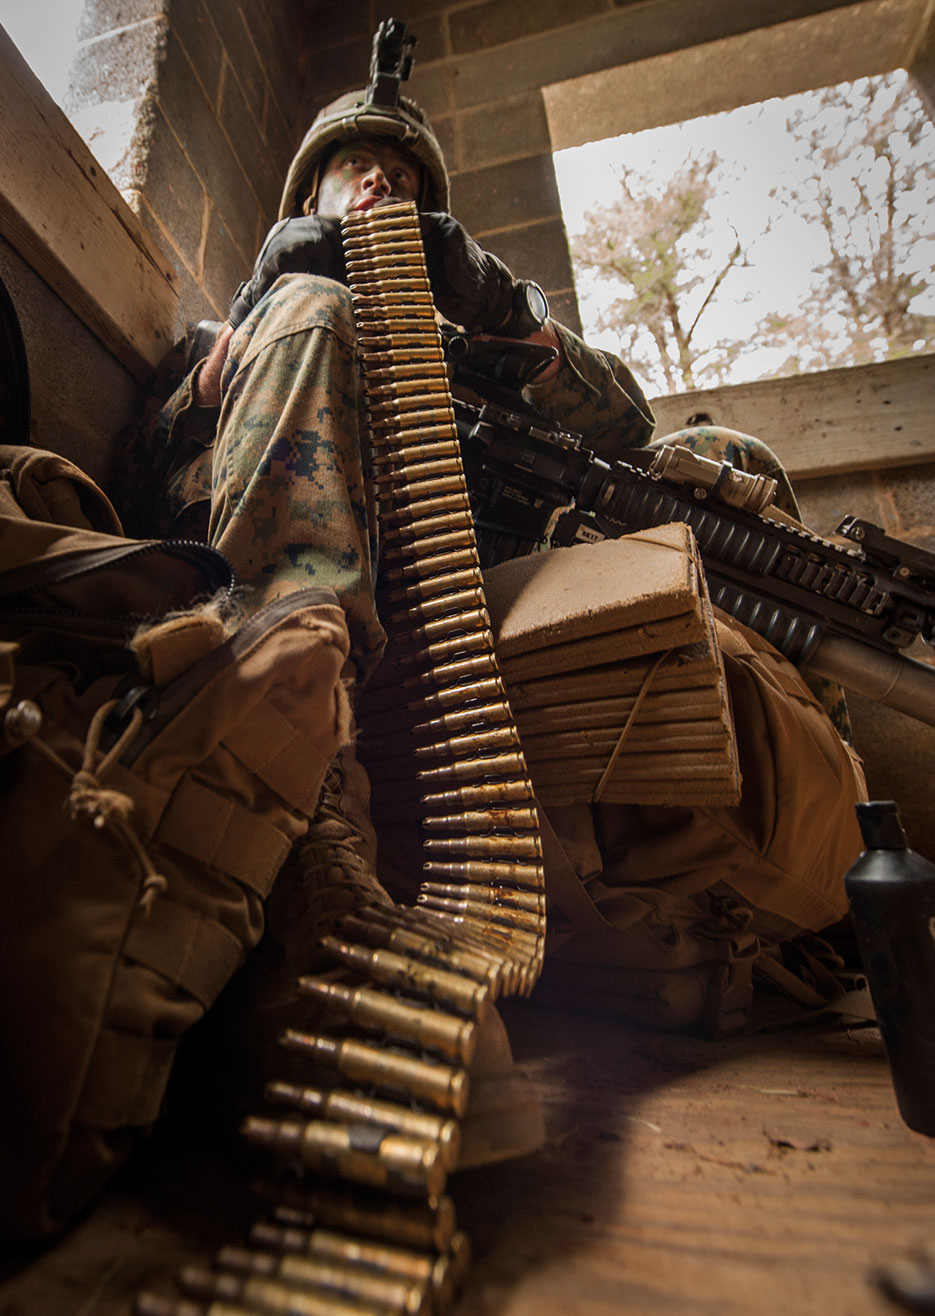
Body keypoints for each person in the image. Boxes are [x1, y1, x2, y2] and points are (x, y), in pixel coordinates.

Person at [121, 82, 865, 1046]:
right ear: (308, 199)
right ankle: (307, 810)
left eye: (407, 175)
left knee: (731, 458)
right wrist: (258, 312)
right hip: (345, 609)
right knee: (314, 305)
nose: (382, 175)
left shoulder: (479, 341)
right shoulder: (250, 324)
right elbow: (145, 472)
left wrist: (510, 313)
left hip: (499, 601)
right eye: (356, 164)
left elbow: (629, 424)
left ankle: (851, 833)